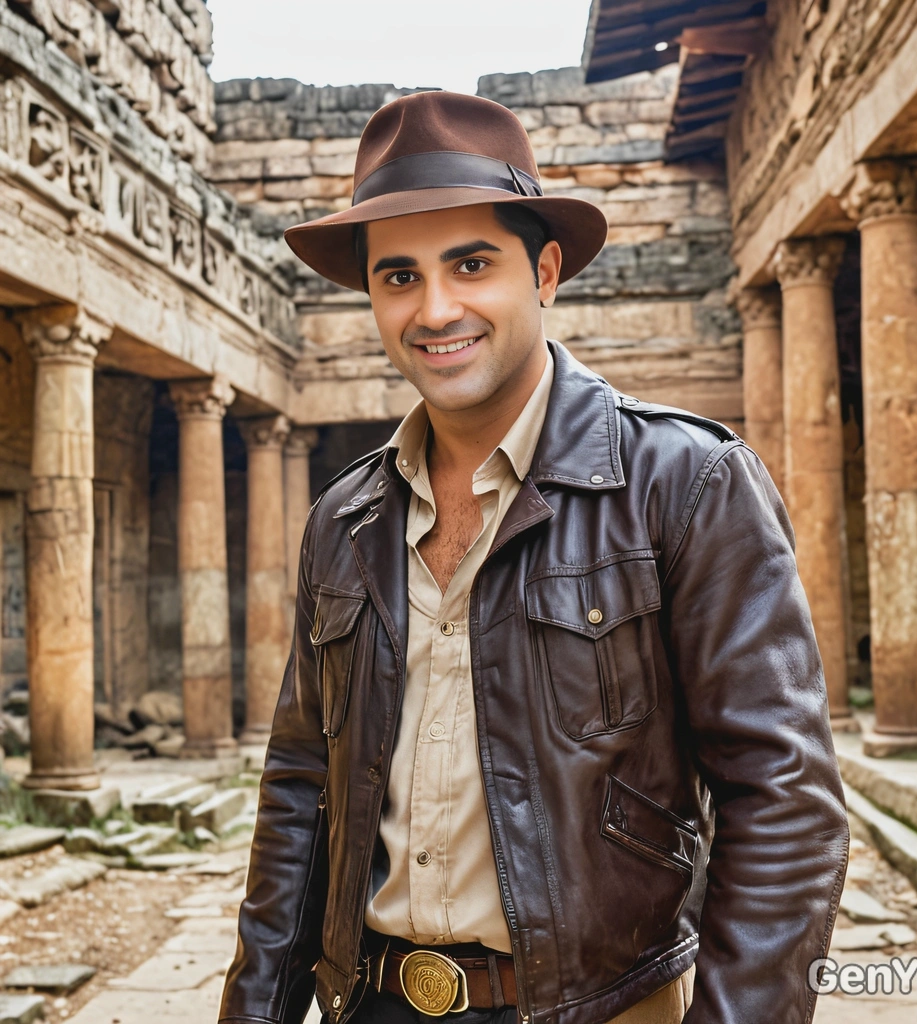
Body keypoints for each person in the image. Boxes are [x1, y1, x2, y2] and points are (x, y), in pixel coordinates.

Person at [219, 90, 849, 1024]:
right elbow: (302, 791)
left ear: (545, 271)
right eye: (399, 277)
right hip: (374, 1003)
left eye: (471, 264)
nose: (435, 310)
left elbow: (785, 802)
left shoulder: (684, 483)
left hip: (597, 1005)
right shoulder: (343, 518)